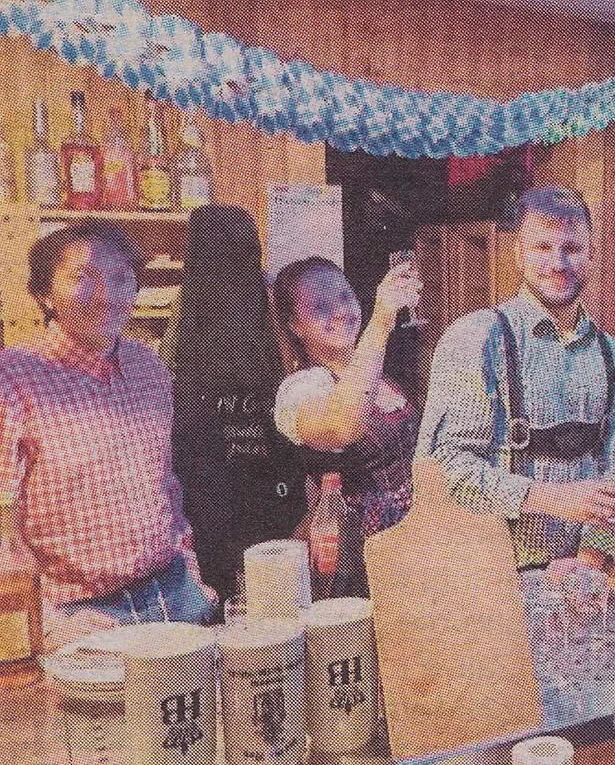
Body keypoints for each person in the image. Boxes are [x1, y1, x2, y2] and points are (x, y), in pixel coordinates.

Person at [0, 220, 215, 649]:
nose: (106, 295)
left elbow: (165, 485)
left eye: (120, 277)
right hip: (80, 616)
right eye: (83, 277)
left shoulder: (148, 366)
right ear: (45, 294)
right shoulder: (14, 377)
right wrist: (41, 622)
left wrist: (191, 574)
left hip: (176, 596)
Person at [416, 185, 615, 571]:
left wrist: (588, 560)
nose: (558, 263)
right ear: (518, 254)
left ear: (592, 254)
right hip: (490, 575)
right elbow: (444, 468)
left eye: (572, 248)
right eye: (542, 247)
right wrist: (552, 498)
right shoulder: (477, 338)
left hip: (582, 574)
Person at [171, 205, 309, 604]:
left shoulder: (190, 303)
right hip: (270, 472)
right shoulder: (262, 298)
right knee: (279, 591)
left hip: (207, 478)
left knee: (225, 593)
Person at [272, 256, 422, 597]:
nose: (340, 312)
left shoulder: (381, 377)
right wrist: (381, 323)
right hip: (354, 557)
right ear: (295, 325)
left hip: (412, 542)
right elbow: (342, 426)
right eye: (320, 307)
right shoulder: (301, 389)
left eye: (344, 297)